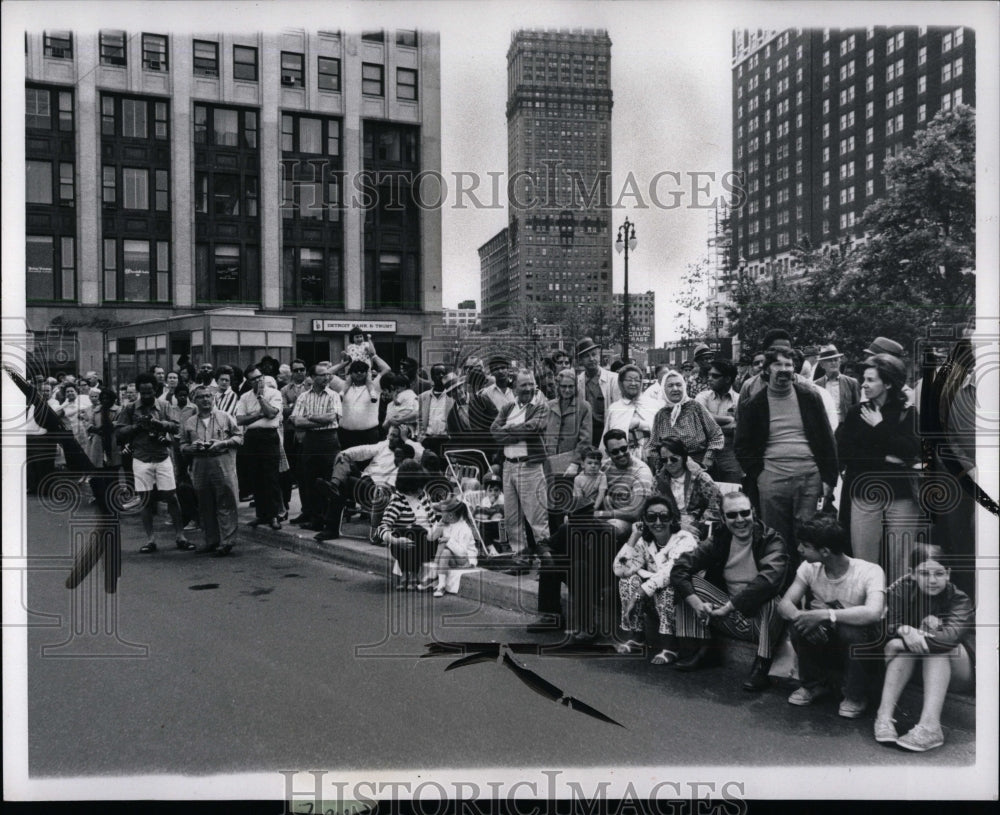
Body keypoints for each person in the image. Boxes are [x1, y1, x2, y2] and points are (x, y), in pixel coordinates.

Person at [531, 429, 654, 640]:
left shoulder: (641, 471)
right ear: (608, 452)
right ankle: (550, 612)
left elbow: (635, 512)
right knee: (563, 539)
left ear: (629, 446)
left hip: (625, 524)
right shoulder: (604, 465)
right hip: (596, 521)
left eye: (624, 449)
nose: (621, 454)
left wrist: (600, 513)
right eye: (615, 452)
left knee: (592, 535)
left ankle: (587, 620)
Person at [670, 491, 788, 692]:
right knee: (690, 582)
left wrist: (729, 608)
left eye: (745, 513)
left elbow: (768, 581)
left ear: (754, 512)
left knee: (772, 600)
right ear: (723, 519)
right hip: (729, 615)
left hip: (763, 622)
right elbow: (680, 568)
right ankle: (705, 649)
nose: (740, 520)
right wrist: (697, 604)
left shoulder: (771, 540)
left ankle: (762, 665)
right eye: (732, 515)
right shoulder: (719, 539)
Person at [735, 341, 838, 564]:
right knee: (776, 540)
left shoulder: (809, 397)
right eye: (778, 365)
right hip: (772, 480)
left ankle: (808, 593)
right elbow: (742, 446)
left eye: (788, 365)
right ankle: (781, 590)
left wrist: (829, 478)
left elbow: (826, 439)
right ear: (766, 370)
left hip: (809, 478)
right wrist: (759, 474)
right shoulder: (753, 404)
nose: (784, 369)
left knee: (809, 538)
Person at [778, 514, 886, 718]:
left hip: (863, 648)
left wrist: (825, 615)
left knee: (851, 629)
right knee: (799, 623)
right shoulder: (809, 567)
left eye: (805, 545)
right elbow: (785, 604)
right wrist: (804, 618)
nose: (799, 549)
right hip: (828, 641)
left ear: (825, 551)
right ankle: (814, 685)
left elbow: (874, 612)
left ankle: (855, 695)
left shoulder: (870, 571)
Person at [875, 544, 975, 752]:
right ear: (912, 574)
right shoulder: (901, 588)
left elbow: (949, 639)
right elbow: (886, 623)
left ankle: (931, 727)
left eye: (939, 573)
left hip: (960, 671)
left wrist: (900, 640)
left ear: (948, 574)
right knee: (911, 646)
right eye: (924, 573)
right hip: (919, 668)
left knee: (934, 649)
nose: (932, 580)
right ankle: (883, 717)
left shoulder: (960, 599)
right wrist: (904, 630)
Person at [836, 353, 923, 581]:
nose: (863, 384)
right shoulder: (856, 413)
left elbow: (913, 449)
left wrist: (880, 427)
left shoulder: (908, 413)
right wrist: (885, 458)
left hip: (902, 496)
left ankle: (896, 612)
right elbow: (847, 454)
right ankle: (868, 612)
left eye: (870, 380)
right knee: (864, 562)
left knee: (900, 562)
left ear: (888, 383)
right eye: (863, 379)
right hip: (865, 494)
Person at [613, 495, 699, 664]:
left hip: (686, 598)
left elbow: (671, 572)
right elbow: (620, 570)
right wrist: (633, 538)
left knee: (665, 586)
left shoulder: (684, 539)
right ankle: (637, 637)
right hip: (653, 595)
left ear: (672, 518)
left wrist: (639, 593)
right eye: (651, 517)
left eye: (664, 516)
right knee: (628, 580)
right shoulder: (644, 541)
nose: (658, 522)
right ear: (644, 519)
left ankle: (670, 645)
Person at [115, 372, 194, 553]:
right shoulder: (130, 409)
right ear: (139, 391)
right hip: (141, 458)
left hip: (161, 455)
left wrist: (158, 424)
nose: (147, 396)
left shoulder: (165, 406)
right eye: (143, 393)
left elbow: (176, 426)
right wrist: (137, 426)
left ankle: (180, 536)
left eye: (150, 392)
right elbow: (119, 432)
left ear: (155, 390)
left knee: (171, 496)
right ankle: (150, 540)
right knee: (145, 500)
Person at [312, 425, 425, 542]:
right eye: (389, 434)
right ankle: (334, 485)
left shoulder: (406, 456)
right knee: (344, 460)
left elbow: (422, 453)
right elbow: (364, 450)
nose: (390, 438)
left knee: (344, 484)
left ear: (401, 439)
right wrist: (345, 453)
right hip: (363, 480)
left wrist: (405, 438)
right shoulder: (383, 446)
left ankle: (331, 527)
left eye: (395, 436)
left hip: (375, 490)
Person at [490, 370, 550, 557]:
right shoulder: (508, 408)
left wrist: (507, 430)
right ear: (514, 387)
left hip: (530, 467)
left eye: (531, 383)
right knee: (512, 519)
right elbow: (493, 431)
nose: (528, 388)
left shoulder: (540, 407)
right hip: (508, 466)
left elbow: (533, 428)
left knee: (537, 519)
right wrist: (513, 432)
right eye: (523, 384)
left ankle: (546, 564)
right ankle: (521, 559)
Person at [180, 385, 243, 556]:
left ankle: (227, 541)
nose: (206, 400)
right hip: (200, 463)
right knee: (204, 502)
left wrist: (224, 443)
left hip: (221, 461)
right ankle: (211, 540)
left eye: (208, 396)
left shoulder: (224, 417)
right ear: (194, 401)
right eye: (201, 397)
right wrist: (192, 447)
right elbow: (182, 445)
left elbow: (239, 437)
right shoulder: (190, 422)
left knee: (226, 500)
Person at [289, 363, 342, 530]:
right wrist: (318, 419)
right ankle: (315, 518)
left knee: (328, 479)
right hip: (311, 441)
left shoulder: (333, 395)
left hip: (329, 440)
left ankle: (329, 518)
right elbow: (296, 420)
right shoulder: (304, 396)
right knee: (310, 479)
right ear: (311, 378)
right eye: (321, 375)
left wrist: (309, 417)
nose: (326, 377)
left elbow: (332, 418)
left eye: (327, 374)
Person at [235, 367, 284, 530]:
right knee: (255, 476)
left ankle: (274, 515)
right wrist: (259, 414)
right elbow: (240, 420)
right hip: (252, 437)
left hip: (269, 435)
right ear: (248, 382)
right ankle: (261, 515)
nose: (258, 381)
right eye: (254, 379)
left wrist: (261, 397)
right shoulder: (244, 397)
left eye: (260, 377)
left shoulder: (274, 393)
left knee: (270, 476)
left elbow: (271, 414)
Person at [379, 460, 438, 590]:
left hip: (429, 543)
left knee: (417, 530)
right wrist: (396, 540)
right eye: (418, 486)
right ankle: (407, 573)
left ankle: (410, 574)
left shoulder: (424, 496)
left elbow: (434, 522)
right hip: (404, 546)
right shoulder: (397, 502)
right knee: (409, 531)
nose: (421, 489)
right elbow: (382, 528)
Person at [650, 370, 723, 471]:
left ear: (684, 387)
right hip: (671, 467)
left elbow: (716, 435)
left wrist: (708, 459)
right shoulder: (660, 415)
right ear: (663, 389)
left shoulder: (695, 407)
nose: (675, 389)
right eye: (670, 386)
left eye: (678, 385)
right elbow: (653, 446)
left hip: (700, 465)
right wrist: (662, 466)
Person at [652, 438, 722, 539]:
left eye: (674, 459)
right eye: (664, 460)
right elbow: (652, 510)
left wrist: (698, 524)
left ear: (683, 457)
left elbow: (716, 505)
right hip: (666, 527)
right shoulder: (658, 481)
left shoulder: (700, 478)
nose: (669, 463)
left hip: (695, 530)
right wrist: (676, 526)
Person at [694, 358, 743, 484]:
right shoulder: (702, 396)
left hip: (730, 456)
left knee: (731, 492)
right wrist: (730, 420)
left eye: (715, 376)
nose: (709, 378)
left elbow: (741, 429)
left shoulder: (739, 400)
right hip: (703, 455)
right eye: (709, 375)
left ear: (727, 379)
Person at [426, 496, 479, 596]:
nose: (440, 514)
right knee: (444, 547)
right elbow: (431, 537)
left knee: (445, 549)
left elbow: (462, 552)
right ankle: (437, 579)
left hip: (466, 560)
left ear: (450, 515)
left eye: (442, 513)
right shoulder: (446, 524)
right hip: (454, 558)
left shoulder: (464, 528)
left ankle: (439, 582)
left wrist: (448, 540)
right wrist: (439, 525)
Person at [603, 364, 656, 461]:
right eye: (629, 380)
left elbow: (660, 430)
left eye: (637, 380)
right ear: (621, 383)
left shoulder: (651, 404)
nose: (633, 383)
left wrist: (640, 424)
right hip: (623, 458)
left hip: (652, 457)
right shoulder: (615, 408)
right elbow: (608, 438)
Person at [576, 336, 620, 444]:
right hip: (586, 433)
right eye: (587, 356)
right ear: (581, 360)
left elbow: (618, 410)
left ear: (599, 356)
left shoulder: (613, 379)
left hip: (608, 430)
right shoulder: (578, 382)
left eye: (594, 354)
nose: (591, 359)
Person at [332, 360, 384, 449]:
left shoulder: (375, 386)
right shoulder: (342, 386)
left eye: (362, 371)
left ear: (367, 373)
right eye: (355, 371)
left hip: (369, 434)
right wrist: (344, 363)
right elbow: (328, 373)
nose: (359, 373)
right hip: (346, 434)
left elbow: (387, 369)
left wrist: (374, 356)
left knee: (369, 462)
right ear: (350, 373)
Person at [814, 344, 860, 426]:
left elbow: (857, 408)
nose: (833, 363)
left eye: (835, 360)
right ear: (822, 365)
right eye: (829, 360)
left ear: (840, 362)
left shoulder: (852, 383)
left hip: (845, 427)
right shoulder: (816, 385)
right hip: (825, 426)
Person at [417, 365, 455, 457]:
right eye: (438, 374)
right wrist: (421, 437)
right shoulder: (423, 397)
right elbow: (418, 419)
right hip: (428, 440)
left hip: (447, 440)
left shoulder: (452, 397)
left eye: (443, 373)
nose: (441, 376)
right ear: (432, 377)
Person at [573, 447, 608, 511]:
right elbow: (579, 498)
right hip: (584, 505)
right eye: (589, 463)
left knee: (607, 500)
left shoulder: (602, 476)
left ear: (600, 465)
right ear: (583, 464)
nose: (593, 466)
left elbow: (601, 494)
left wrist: (595, 508)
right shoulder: (578, 479)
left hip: (598, 504)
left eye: (596, 463)